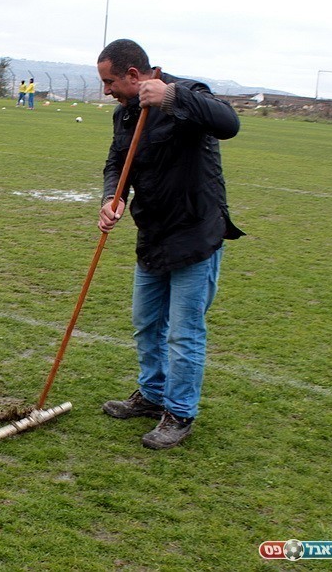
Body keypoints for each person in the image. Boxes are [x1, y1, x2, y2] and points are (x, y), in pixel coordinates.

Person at [96, 39, 244, 449]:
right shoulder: (125, 115)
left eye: (110, 82)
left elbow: (229, 124)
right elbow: (116, 162)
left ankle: (179, 413)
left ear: (132, 74)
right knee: (146, 323)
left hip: (195, 233)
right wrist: (114, 196)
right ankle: (152, 394)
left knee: (183, 333)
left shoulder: (188, 93)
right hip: (154, 234)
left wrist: (171, 96)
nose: (106, 90)